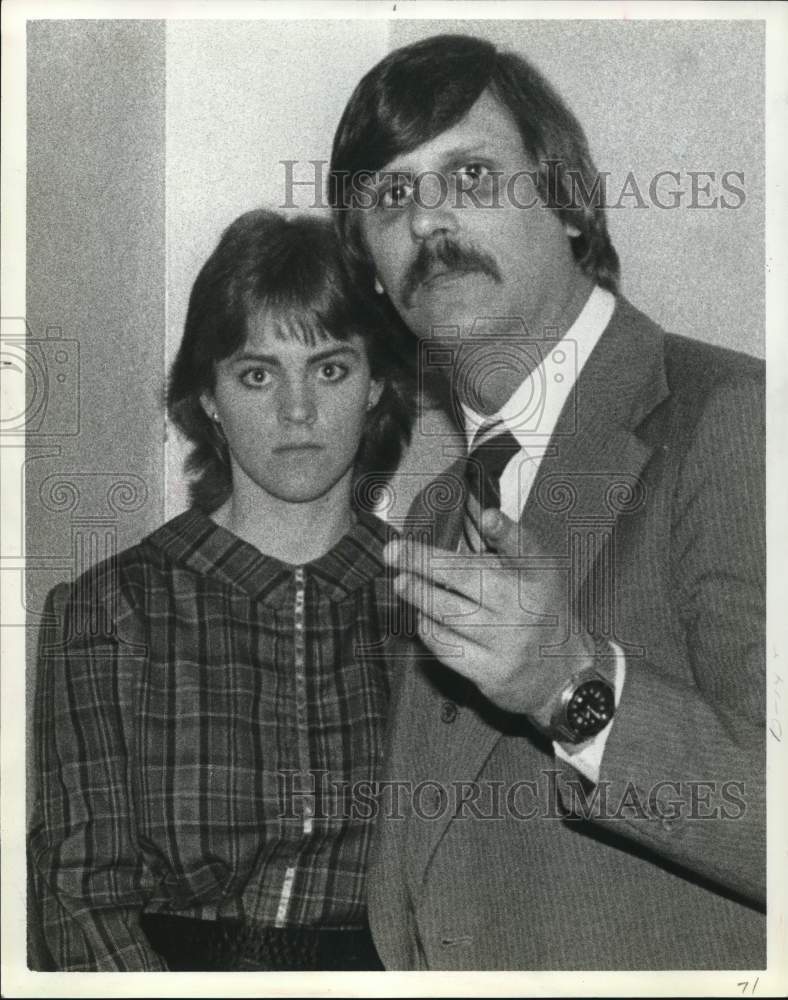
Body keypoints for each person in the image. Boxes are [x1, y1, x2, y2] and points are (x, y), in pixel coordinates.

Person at [329, 33, 766, 969]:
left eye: (472, 175)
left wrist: (571, 687)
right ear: (368, 265)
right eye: (393, 196)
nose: (430, 221)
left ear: (567, 203)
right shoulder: (442, 507)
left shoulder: (736, 421)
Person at [28, 210, 413, 971]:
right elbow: (79, 898)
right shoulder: (109, 611)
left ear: (376, 387)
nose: (296, 411)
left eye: (330, 368)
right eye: (257, 374)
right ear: (207, 395)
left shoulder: (439, 605)